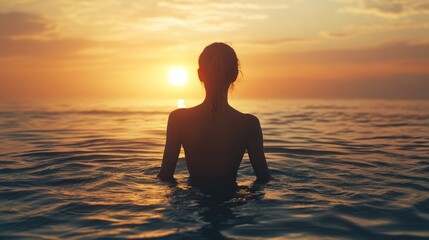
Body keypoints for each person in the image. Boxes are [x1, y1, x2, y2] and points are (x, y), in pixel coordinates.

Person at [157, 42, 271, 189]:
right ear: (235, 75)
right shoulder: (249, 124)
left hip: (193, 202)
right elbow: (263, 179)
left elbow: (165, 177)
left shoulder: (178, 119)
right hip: (231, 199)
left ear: (199, 74)